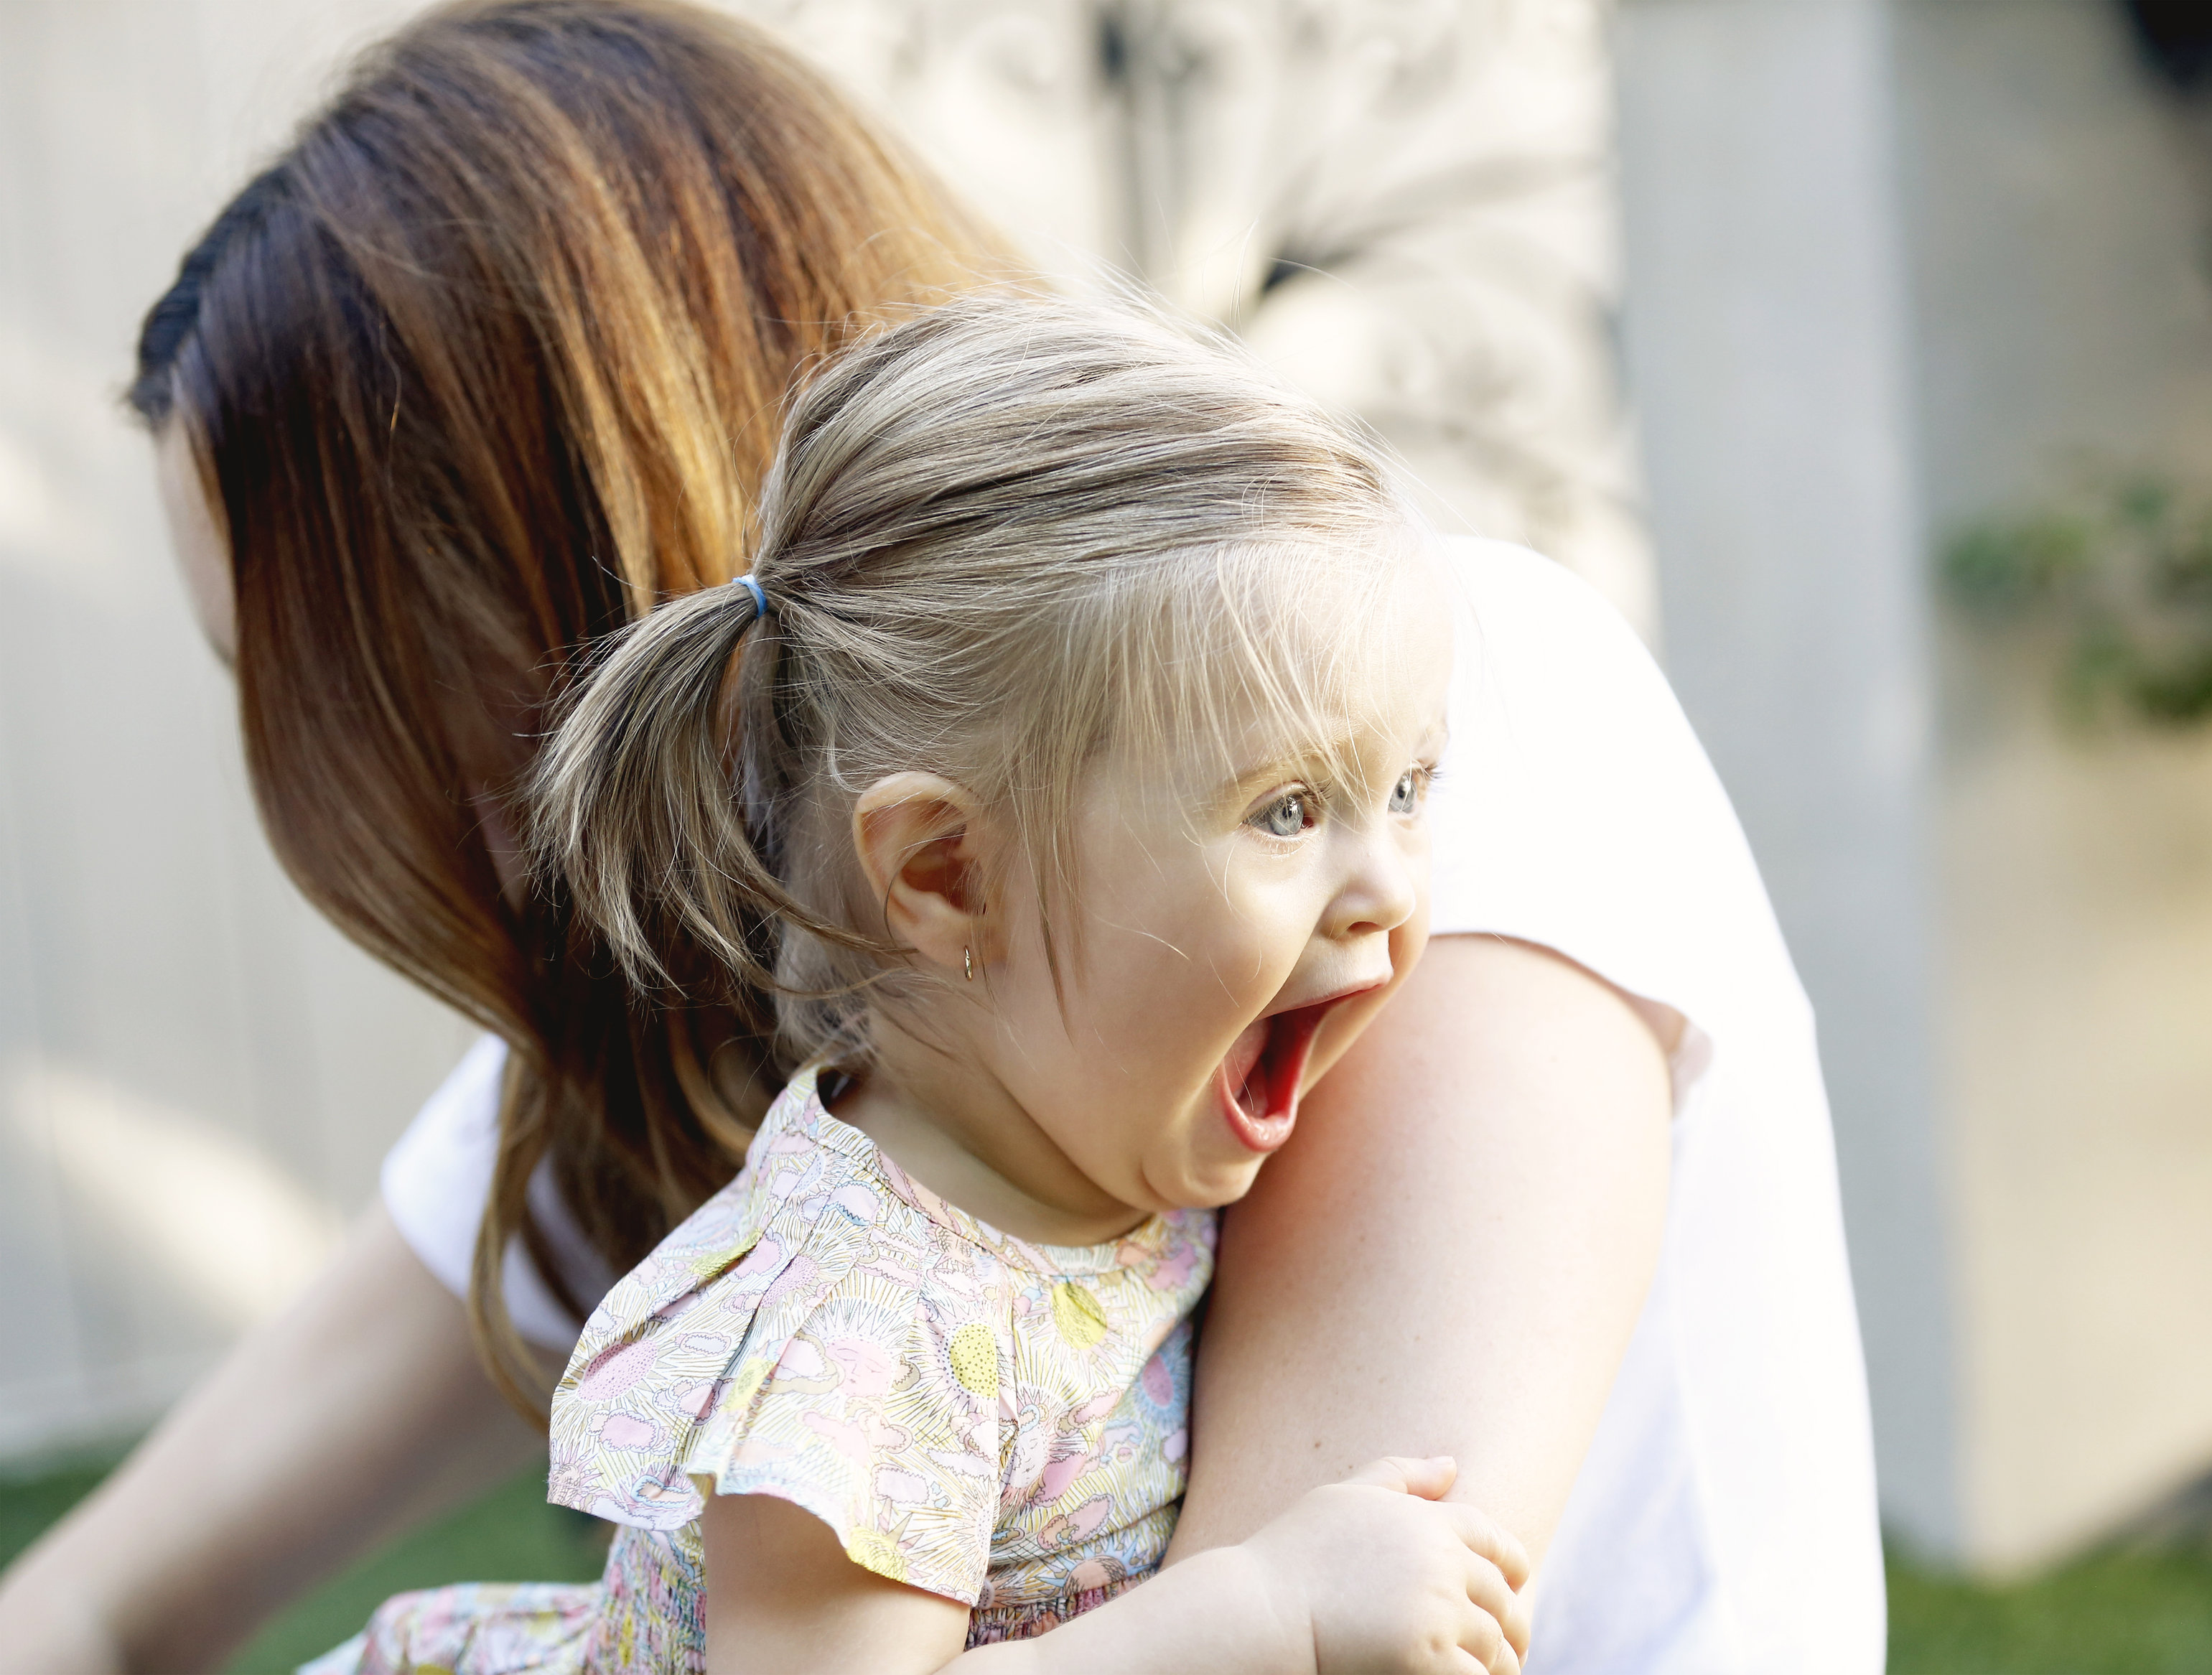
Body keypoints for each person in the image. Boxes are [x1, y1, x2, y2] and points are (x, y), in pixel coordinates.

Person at [0, 4, 1882, 1671]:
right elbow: (82, 1605)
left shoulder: (1421, 731)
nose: (401, 811)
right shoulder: (823, 1034)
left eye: (354, 694)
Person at [307, 292, 1529, 1675]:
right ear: (950, 873)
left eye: (1408, 786)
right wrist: (1266, 1610)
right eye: (1289, 810)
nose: (1390, 888)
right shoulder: (872, 1324)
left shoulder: (1091, 1139)